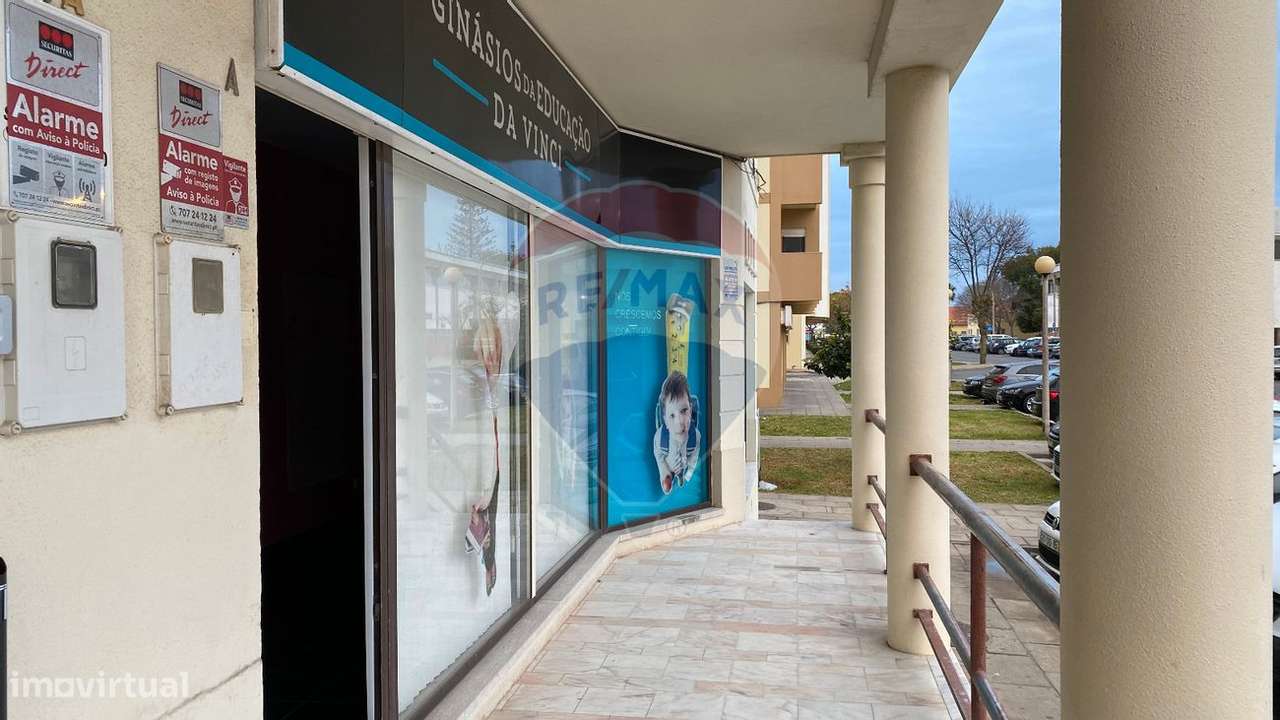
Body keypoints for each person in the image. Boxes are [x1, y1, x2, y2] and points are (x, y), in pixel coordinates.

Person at [653, 371, 700, 494]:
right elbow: (658, 455)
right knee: (666, 467)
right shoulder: (660, 438)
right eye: (672, 415)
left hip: (684, 460)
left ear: (691, 409)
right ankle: (668, 476)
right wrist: (665, 467)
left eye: (684, 411)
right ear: (665, 420)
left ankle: (680, 476)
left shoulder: (695, 437)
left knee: (682, 468)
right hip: (668, 457)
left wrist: (688, 473)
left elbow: (694, 457)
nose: (679, 422)